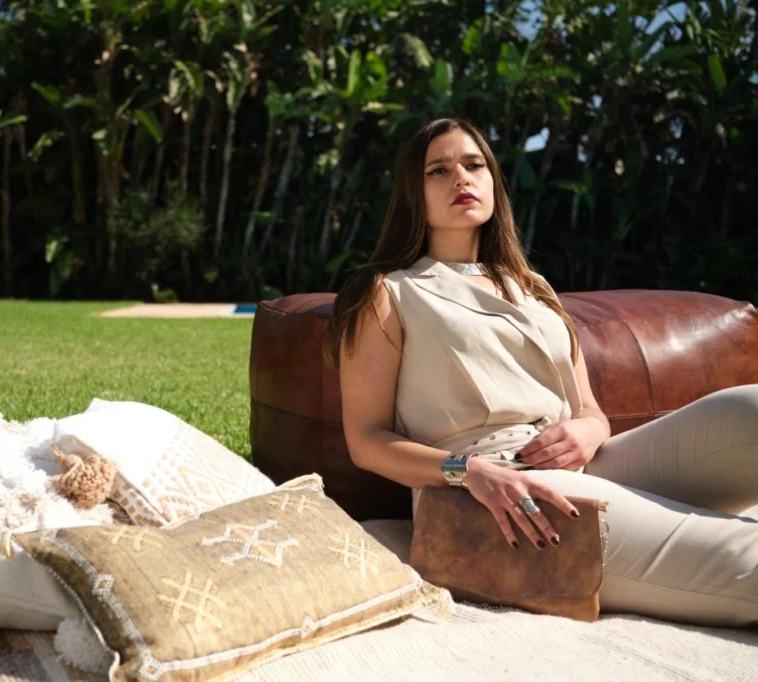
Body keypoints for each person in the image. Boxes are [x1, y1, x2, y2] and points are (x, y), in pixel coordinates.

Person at [323, 117, 758, 627]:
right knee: (743, 554)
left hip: (582, 463)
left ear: (492, 182)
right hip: (496, 492)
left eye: (474, 165)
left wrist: (588, 430)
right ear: (410, 193)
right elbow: (367, 440)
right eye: (438, 170)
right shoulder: (387, 291)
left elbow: (590, 408)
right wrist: (467, 471)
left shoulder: (531, 286)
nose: (461, 177)